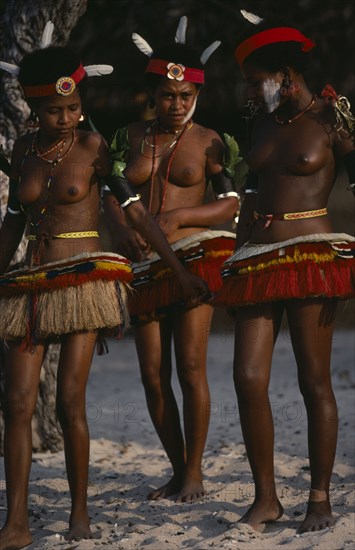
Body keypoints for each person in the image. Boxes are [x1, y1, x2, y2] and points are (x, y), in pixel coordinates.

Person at [0, 22, 208, 550]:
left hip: (86, 282)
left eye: (72, 108)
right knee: (18, 400)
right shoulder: (22, 150)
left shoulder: (95, 148)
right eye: (53, 111)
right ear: (32, 108)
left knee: (71, 398)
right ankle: (17, 520)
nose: (66, 118)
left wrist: (180, 272)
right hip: (30, 286)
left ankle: (79, 513)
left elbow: (135, 213)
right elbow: (12, 225)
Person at [216, 11, 355, 533]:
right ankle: (266, 498)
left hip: (312, 256)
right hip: (256, 260)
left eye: (256, 80)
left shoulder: (332, 118)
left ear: (284, 76)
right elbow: (251, 192)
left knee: (313, 379)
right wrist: (233, 254)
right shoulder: (261, 121)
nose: (250, 90)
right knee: (247, 376)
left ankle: (319, 498)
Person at [103, 16, 240, 502]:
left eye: (184, 97)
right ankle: (178, 468)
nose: (176, 104)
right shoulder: (127, 138)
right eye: (167, 95)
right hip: (142, 265)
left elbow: (231, 202)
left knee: (191, 367)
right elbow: (110, 194)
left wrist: (180, 219)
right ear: (153, 94)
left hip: (196, 255)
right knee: (151, 375)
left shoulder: (211, 140)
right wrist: (124, 232)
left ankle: (197, 473)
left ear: (197, 94)